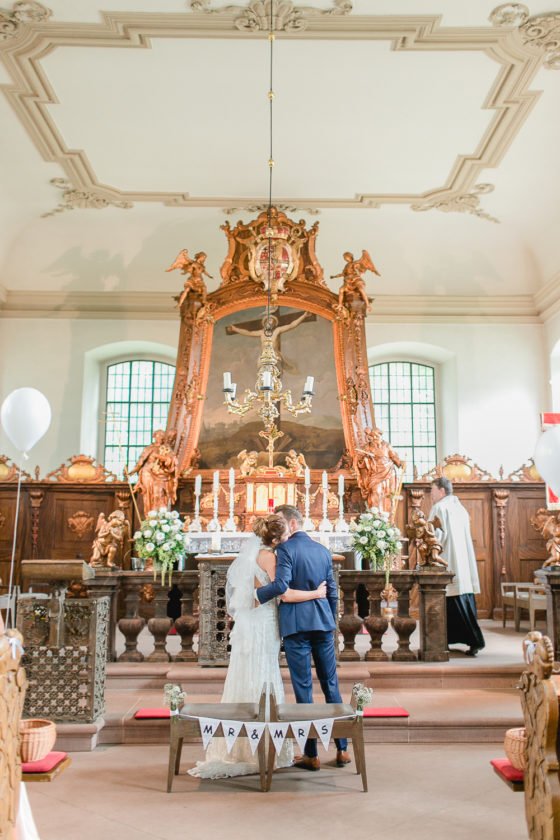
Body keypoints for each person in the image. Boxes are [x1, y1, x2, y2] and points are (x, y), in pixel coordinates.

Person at [189, 514, 327, 779]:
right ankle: (261, 747)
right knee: (264, 673)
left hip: (250, 621)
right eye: (285, 535)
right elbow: (282, 591)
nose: (288, 539)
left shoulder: (254, 554)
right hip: (263, 622)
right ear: (275, 539)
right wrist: (316, 593)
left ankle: (240, 746)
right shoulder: (270, 557)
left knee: (246, 672)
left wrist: (253, 597)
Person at [256, 504, 350, 771]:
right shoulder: (322, 550)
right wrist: (330, 620)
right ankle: (342, 749)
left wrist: (254, 597)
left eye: (280, 523)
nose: (278, 530)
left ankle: (311, 754)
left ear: (292, 524)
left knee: (303, 688)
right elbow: (332, 591)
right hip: (323, 624)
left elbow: (282, 586)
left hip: (296, 625)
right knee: (331, 684)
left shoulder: (285, 550)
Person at [429, 477, 485, 657]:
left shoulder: (440, 508)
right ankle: (456, 640)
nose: (431, 495)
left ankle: (475, 640)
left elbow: (435, 537)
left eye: (432, 491)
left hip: (448, 561)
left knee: (450, 602)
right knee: (460, 601)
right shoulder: (460, 509)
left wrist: (423, 545)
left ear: (442, 491)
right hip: (463, 565)